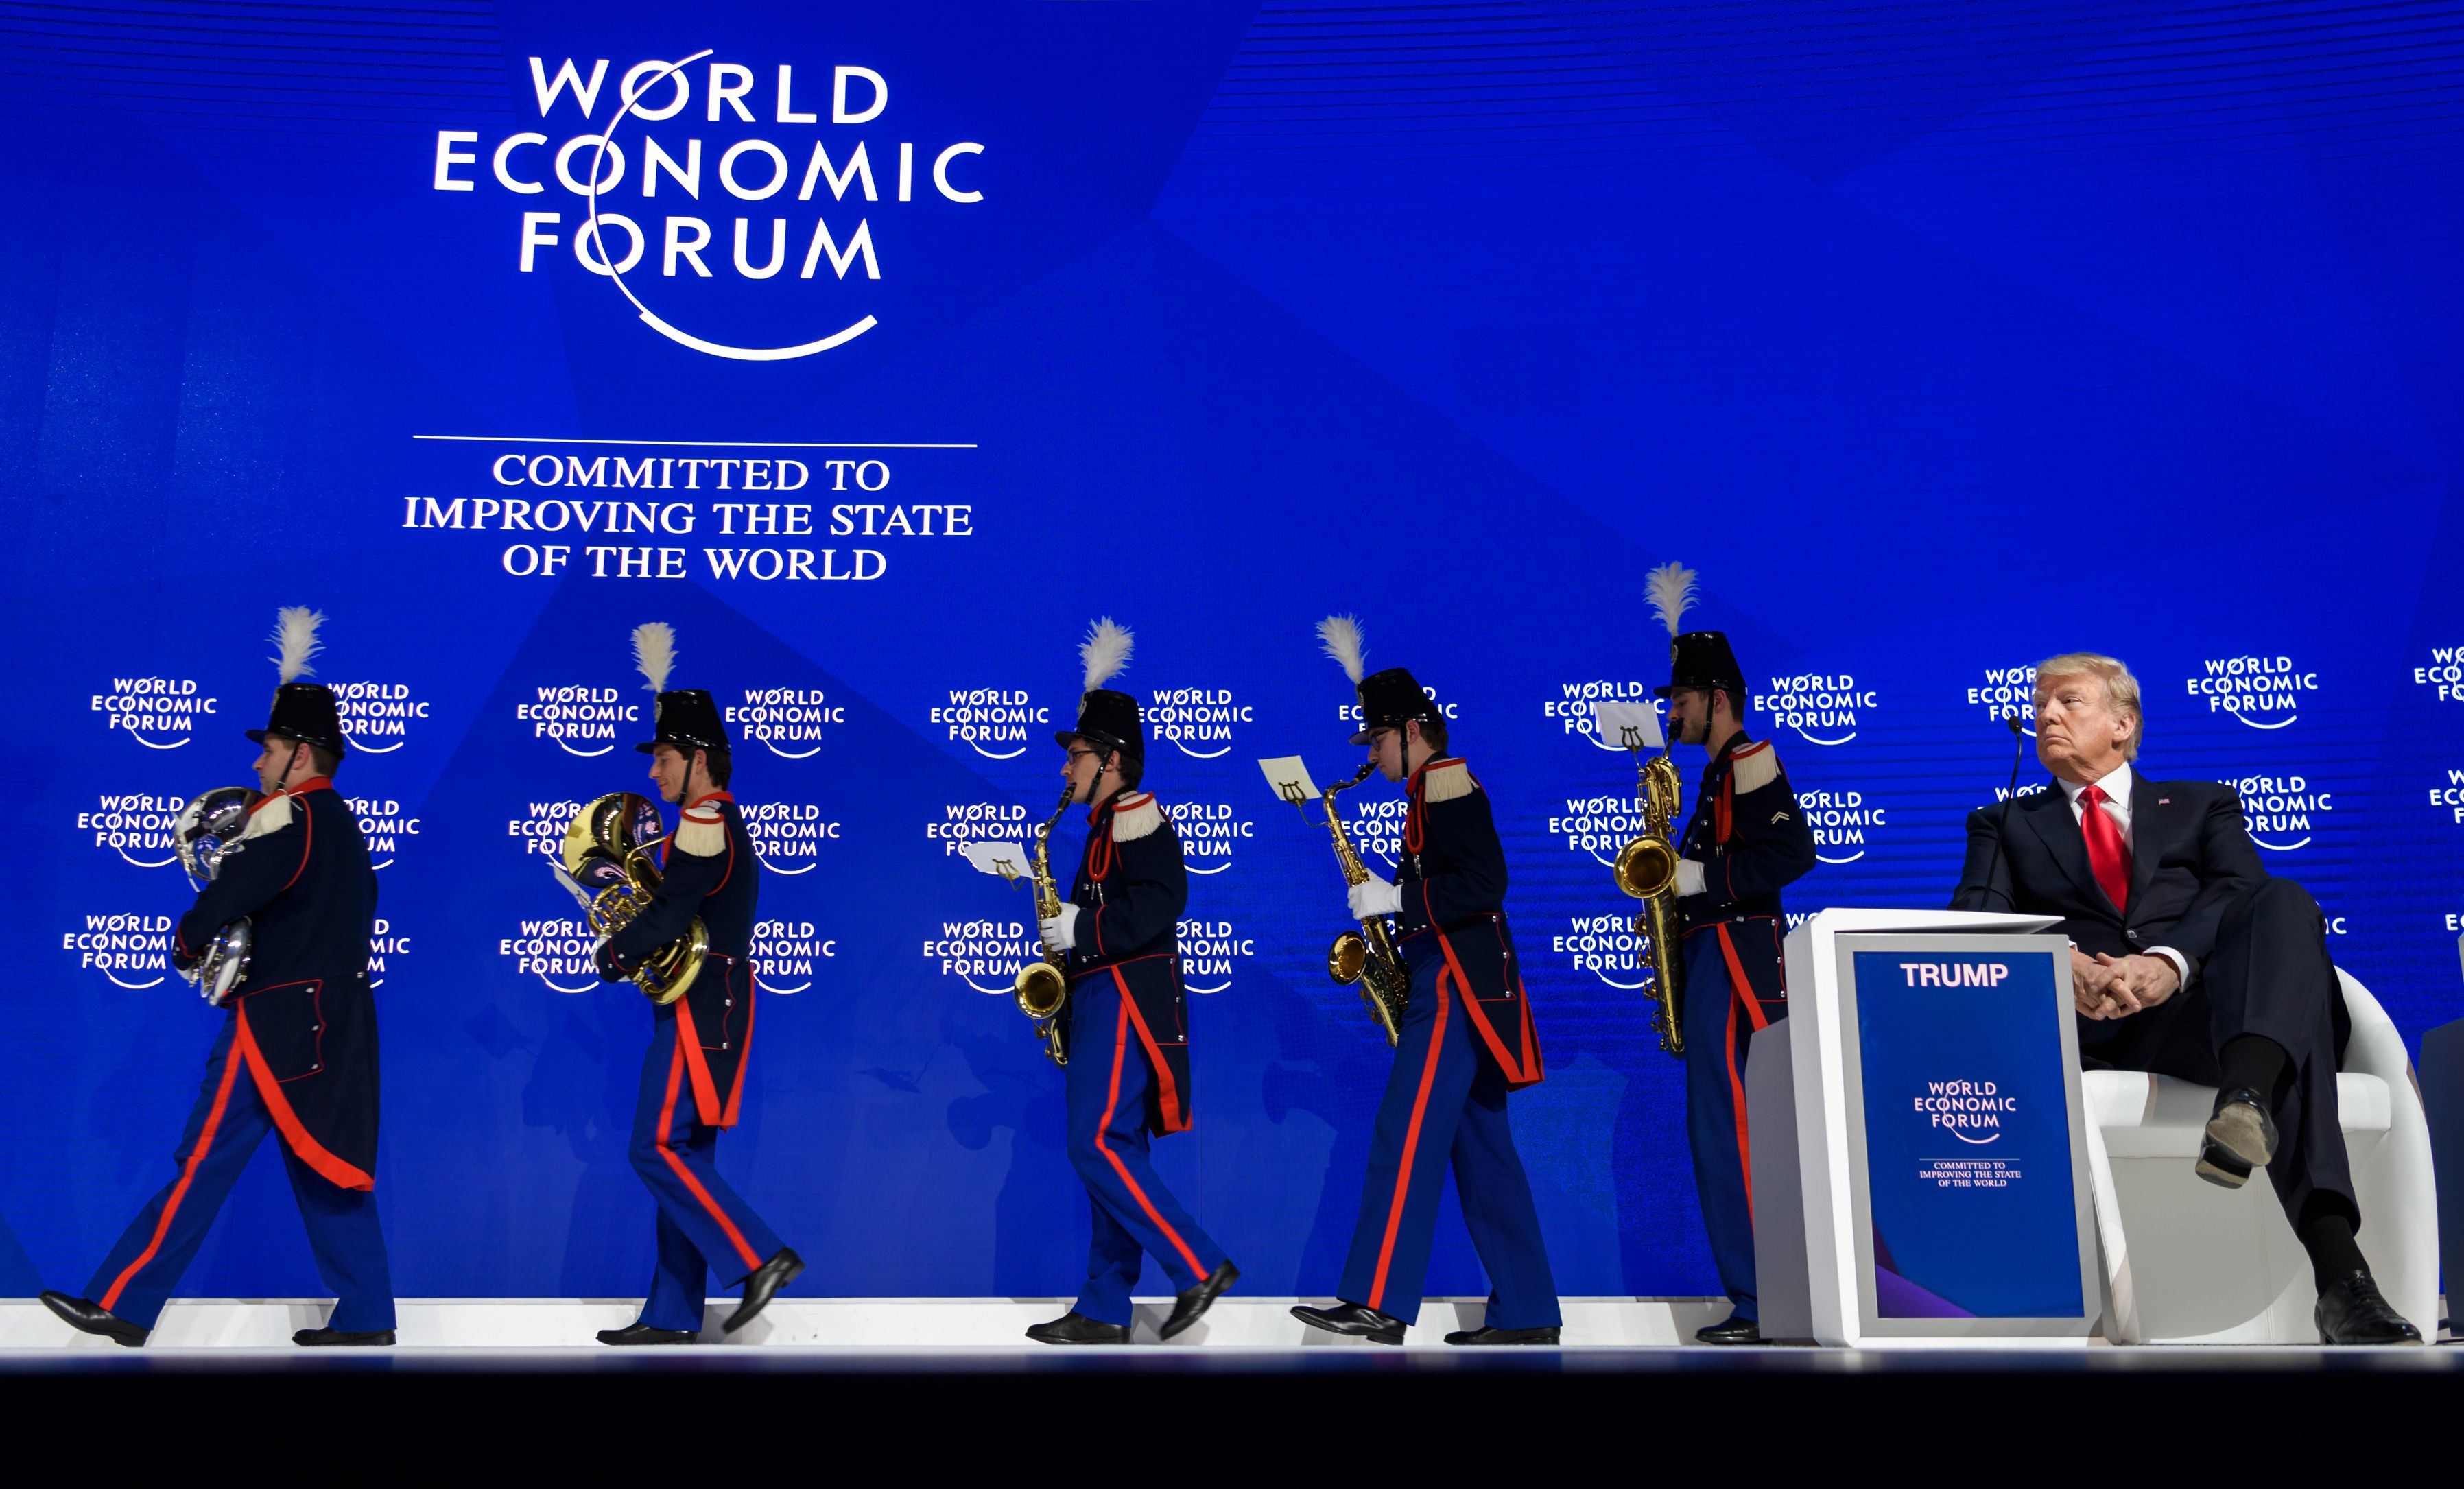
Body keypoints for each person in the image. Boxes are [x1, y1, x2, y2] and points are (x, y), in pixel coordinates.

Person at [1952, 653, 2420, 1345]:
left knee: (2285, 902)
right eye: (2039, 703)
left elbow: (2239, 892)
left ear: (2122, 723)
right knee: (2288, 1037)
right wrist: (2066, 963)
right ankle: (2339, 1276)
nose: (2045, 714)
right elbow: (1975, 924)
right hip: (2106, 1032)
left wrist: (2168, 963)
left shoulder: (2202, 803)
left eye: (2067, 701)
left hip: (2207, 1008)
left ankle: (2246, 1095)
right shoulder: (2004, 824)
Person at [41, 608, 396, 1347]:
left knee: (203, 1157)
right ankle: (367, 1312)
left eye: (269, 749)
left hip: (272, 1016)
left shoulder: (284, 815)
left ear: (302, 754)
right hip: (334, 1017)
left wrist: (188, 937)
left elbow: (231, 893)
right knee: (326, 1163)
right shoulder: (342, 824)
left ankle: (124, 1302)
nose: (259, 763)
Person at [1291, 616, 1561, 1346]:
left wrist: (1395, 899)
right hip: (1456, 977)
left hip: (1454, 981)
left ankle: (1378, 1298)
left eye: (1377, 740)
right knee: (1481, 1150)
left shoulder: (1442, 781)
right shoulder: (1428, 790)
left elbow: (1484, 881)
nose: (1371, 754)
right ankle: (1530, 1309)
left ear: (1412, 730)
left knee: (1403, 1132)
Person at [1025, 619, 1240, 1345]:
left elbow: (1161, 899)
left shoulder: (1134, 813)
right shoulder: (1101, 822)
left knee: (1096, 1143)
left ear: (1112, 759)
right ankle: (1104, 1304)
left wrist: (1082, 931)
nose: (1065, 768)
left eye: (1076, 755)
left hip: (1123, 1000)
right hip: (1098, 997)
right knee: (1116, 1146)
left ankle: (1197, 1262)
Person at [591, 623, 802, 1344]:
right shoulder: (714, 819)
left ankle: (757, 1254)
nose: (654, 773)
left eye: (666, 758)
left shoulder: (704, 819)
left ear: (699, 759)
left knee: (654, 1146)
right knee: (686, 1153)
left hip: (698, 1000)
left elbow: (673, 909)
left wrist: (615, 950)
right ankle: (673, 1313)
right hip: (713, 996)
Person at [1655, 579, 1817, 1346]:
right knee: (1717, 1125)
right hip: (1710, 953)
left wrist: (1698, 880)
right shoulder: (1717, 772)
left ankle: (1763, 1298)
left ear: (1718, 699)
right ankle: (1758, 1292)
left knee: (1732, 1126)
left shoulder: (1749, 759)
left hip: (1735, 953)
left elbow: (1792, 852)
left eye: (1682, 698)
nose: (1672, 712)